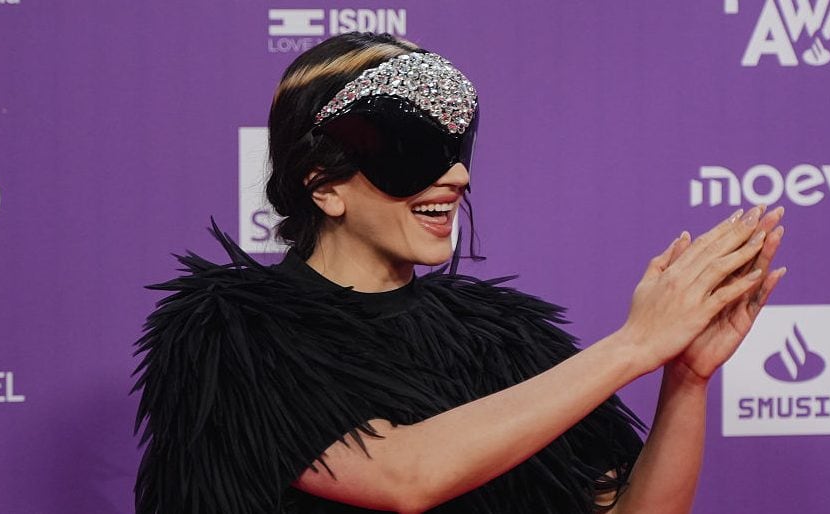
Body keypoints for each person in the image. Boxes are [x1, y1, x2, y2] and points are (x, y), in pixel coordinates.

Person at [132, 32, 786, 514]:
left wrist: (684, 378)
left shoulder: (506, 340)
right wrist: (634, 345)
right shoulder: (227, 335)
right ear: (322, 186)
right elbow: (403, 476)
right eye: (411, 150)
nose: (456, 175)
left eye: (456, 149)